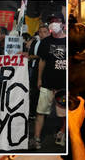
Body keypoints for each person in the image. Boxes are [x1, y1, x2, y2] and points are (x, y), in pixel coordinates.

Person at [34, 13, 67, 149]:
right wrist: (39, 79)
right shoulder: (45, 42)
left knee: (63, 114)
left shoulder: (68, 41)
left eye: (56, 21)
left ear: (63, 24)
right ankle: (36, 138)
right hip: (47, 83)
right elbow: (42, 61)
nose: (54, 23)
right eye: (51, 21)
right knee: (40, 111)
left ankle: (62, 134)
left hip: (63, 86)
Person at [28, 24, 50, 118]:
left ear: (49, 32)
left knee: (43, 92)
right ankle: (33, 112)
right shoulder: (35, 42)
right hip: (33, 68)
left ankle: (42, 113)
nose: (42, 34)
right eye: (40, 32)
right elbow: (30, 53)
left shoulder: (50, 43)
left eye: (45, 32)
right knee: (33, 91)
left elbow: (43, 56)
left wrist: (32, 57)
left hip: (46, 70)